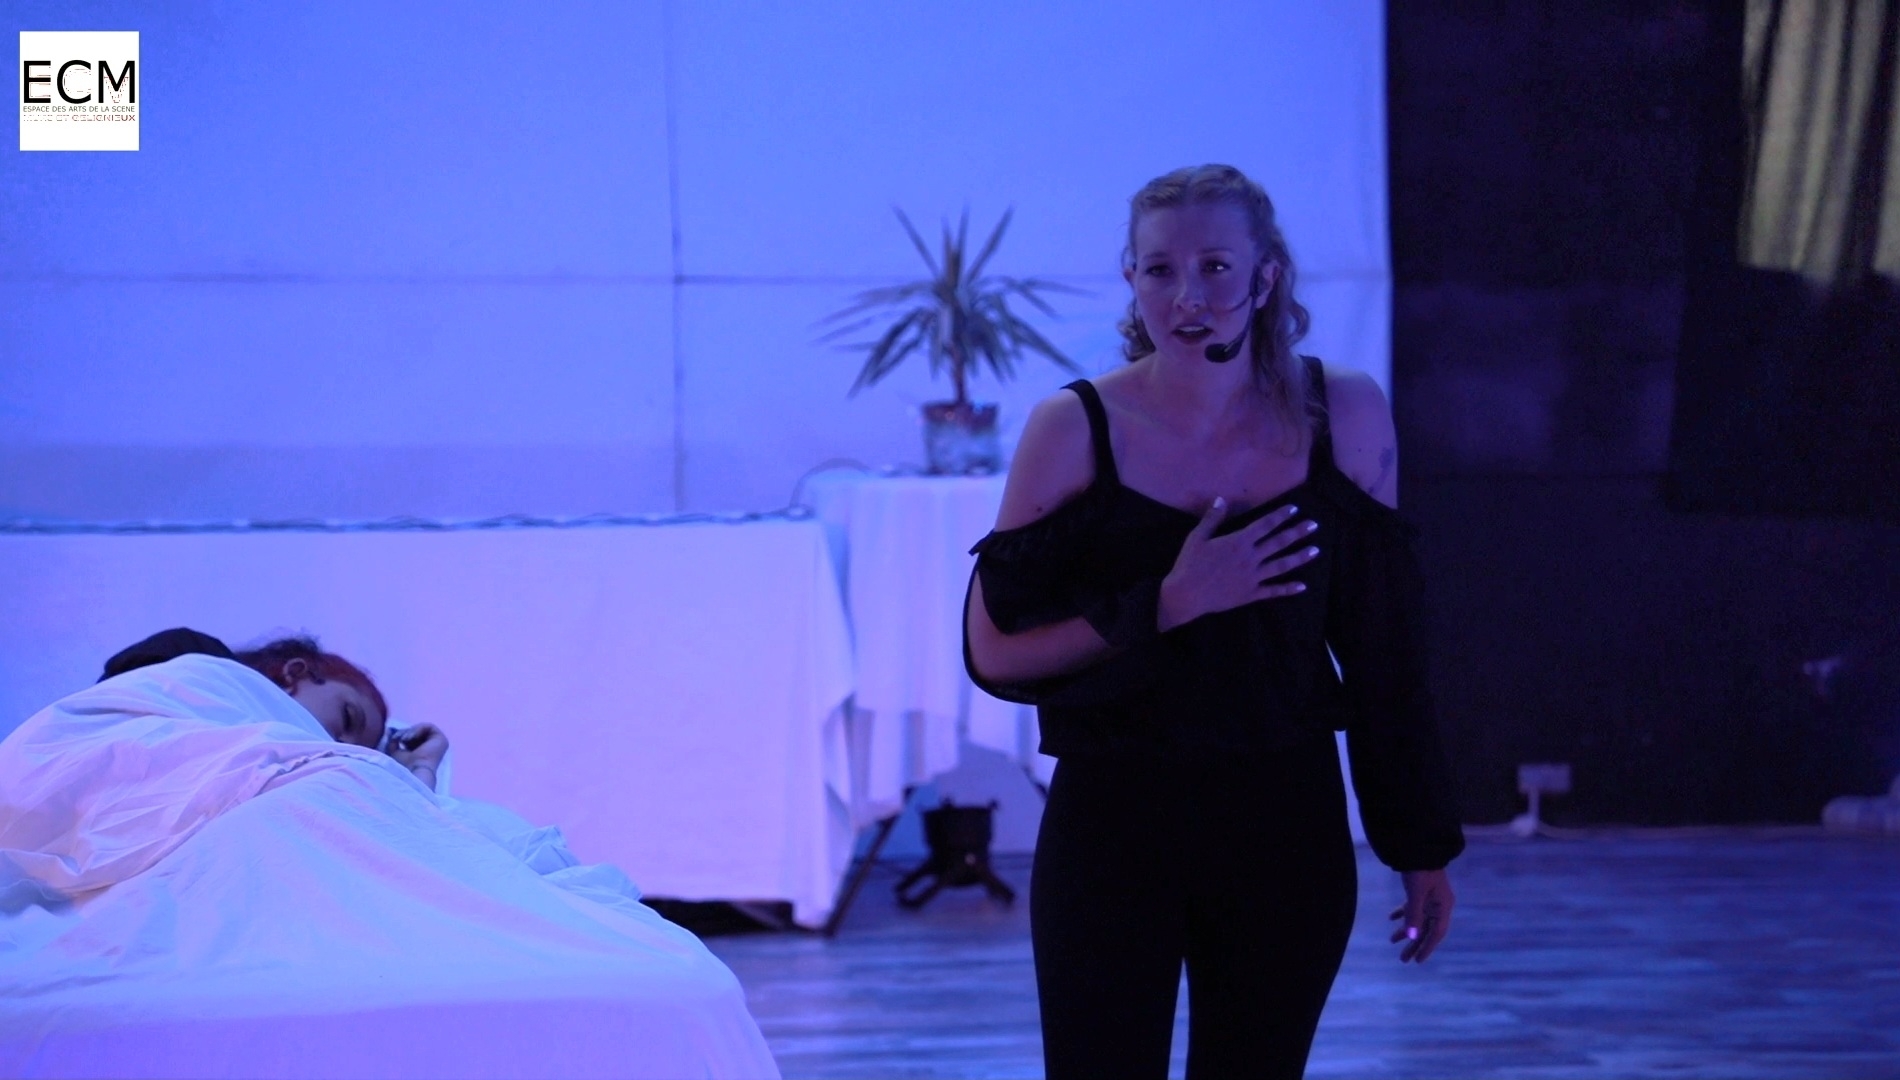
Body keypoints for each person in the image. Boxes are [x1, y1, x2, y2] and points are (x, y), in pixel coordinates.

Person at [963, 164, 1465, 1079]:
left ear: (1266, 277)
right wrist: (1168, 603)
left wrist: (1419, 844)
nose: (1187, 297)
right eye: (1160, 270)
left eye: (1216, 267)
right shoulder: (1074, 426)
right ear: (1132, 278)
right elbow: (994, 652)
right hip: (1114, 821)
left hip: (1284, 821)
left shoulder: (1344, 413)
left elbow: (1386, 654)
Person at [100, 627, 449, 790]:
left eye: (356, 749)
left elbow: (402, 836)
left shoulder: (307, 784)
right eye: (348, 718)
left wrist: (420, 766)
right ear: (294, 673)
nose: (342, 744)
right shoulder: (190, 653)